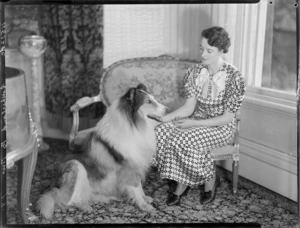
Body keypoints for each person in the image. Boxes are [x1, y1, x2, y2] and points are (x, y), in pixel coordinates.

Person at [151, 26, 246, 206]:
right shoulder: (194, 73)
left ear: (222, 51)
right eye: (201, 48)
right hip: (196, 120)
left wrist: (193, 123)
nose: (203, 54)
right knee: (161, 131)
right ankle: (186, 179)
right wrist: (164, 119)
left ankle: (202, 182)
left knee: (184, 139)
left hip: (220, 127)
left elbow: (227, 118)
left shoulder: (234, 77)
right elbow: (188, 107)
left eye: (209, 51)